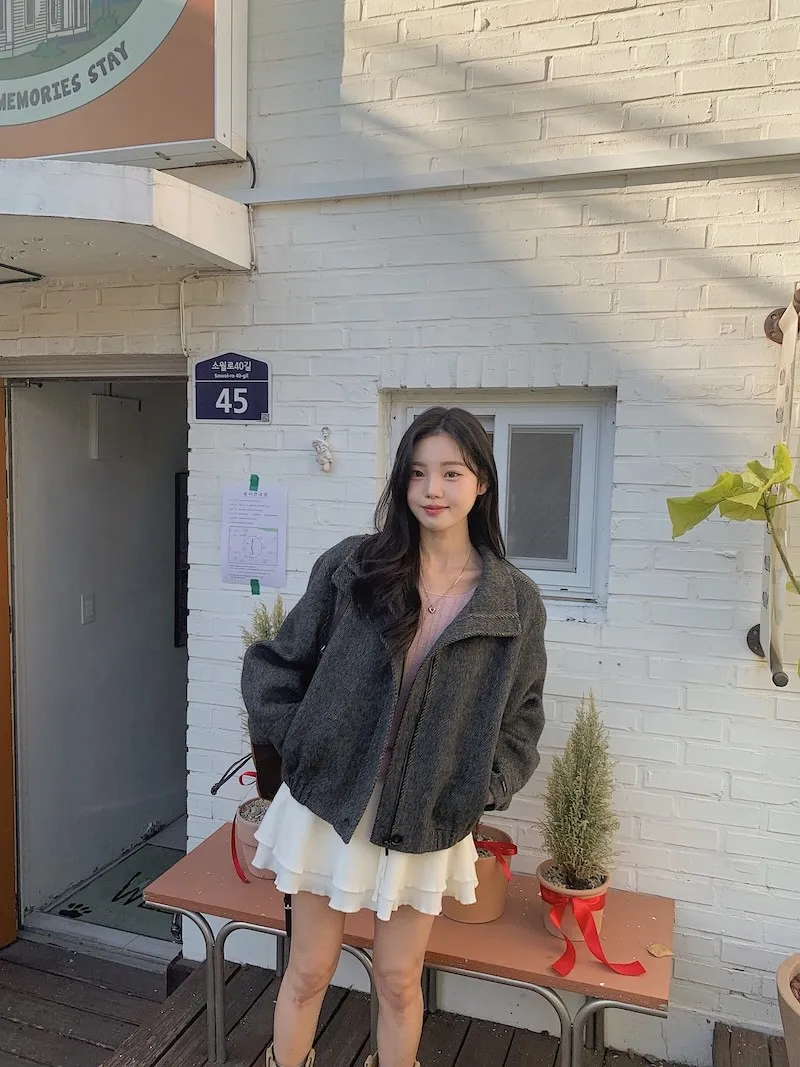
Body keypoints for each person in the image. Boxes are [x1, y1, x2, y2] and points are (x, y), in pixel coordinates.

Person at [241, 406, 547, 1067]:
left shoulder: (513, 601)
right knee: (308, 969)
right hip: (330, 801)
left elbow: (523, 716)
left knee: (400, 980)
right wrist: (305, 744)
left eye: (451, 472)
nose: (432, 489)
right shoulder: (354, 565)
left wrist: (480, 787)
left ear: (481, 483)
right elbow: (275, 663)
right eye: (417, 472)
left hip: (427, 813)